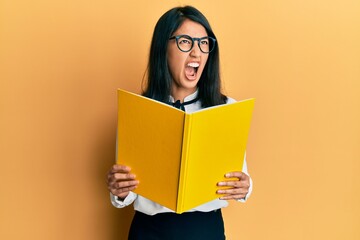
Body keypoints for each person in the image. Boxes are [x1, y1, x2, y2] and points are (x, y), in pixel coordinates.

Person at [106, 5, 253, 240]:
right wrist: (119, 190)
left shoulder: (226, 108)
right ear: (163, 47)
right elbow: (128, 192)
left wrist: (245, 185)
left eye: (204, 43)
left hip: (205, 230)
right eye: (186, 41)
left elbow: (240, 176)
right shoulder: (138, 109)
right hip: (149, 231)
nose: (196, 52)